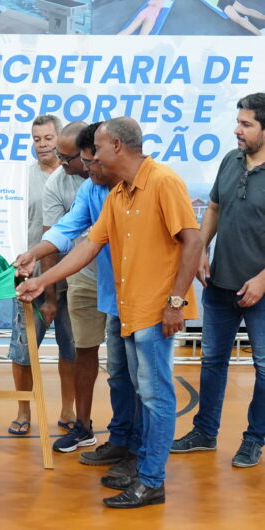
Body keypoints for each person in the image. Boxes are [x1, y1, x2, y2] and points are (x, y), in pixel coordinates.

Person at [17, 117, 202, 508]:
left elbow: (193, 240)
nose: (91, 159)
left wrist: (176, 302)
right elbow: (86, 245)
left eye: (96, 150)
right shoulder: (117, 194)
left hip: (156, 311)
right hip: (128, 307)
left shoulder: (164, 181)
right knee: (138, 389)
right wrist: (40, 278)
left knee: (155, 396)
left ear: (117, 146)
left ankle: (152, 479)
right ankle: (139, 465)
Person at [15, 123, 141, 478]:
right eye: (83, 161)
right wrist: (36, 262)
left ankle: (142, 456)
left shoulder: (152, 183)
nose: (87, 168)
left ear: (110, 150)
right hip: (110, 291)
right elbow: (73, 235)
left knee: (144, 380)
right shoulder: (93, 189)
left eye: (91, 160)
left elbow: (188, 241)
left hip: (144, 297)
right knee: (119, 373)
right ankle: (119, 439)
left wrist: (174, 301)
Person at [171, 93, 265, 467]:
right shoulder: (230, 160)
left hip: (262, 292)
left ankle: (254, 438)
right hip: (220, 285)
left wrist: (262, 279)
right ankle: (205, 433)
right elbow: (213, 208)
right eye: (237, 122)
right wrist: (201, 251)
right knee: (211, 361)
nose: (237, 130)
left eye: (246, 124)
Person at [36, 121, 107, 453]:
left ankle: (131, 437)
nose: (61, 164)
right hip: (85, 278)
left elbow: (90, 244)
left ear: (91, 152)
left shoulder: (138, 182)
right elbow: (64, 231)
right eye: (58, 157)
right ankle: (83, 426)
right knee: (84, 351)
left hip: (128, 285)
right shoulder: (85, 188)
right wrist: (33, 260)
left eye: (68, 158)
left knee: (129, 367)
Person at [7, 115, 76, 436]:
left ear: (60, 139)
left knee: (72, 348)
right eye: (36, 139)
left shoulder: (77, 176)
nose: (43, 145)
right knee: (23, 349)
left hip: (74, 278)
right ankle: (23, 409)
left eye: (48, 138)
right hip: (30, 278)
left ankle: (68, 409)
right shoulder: (20, 179)